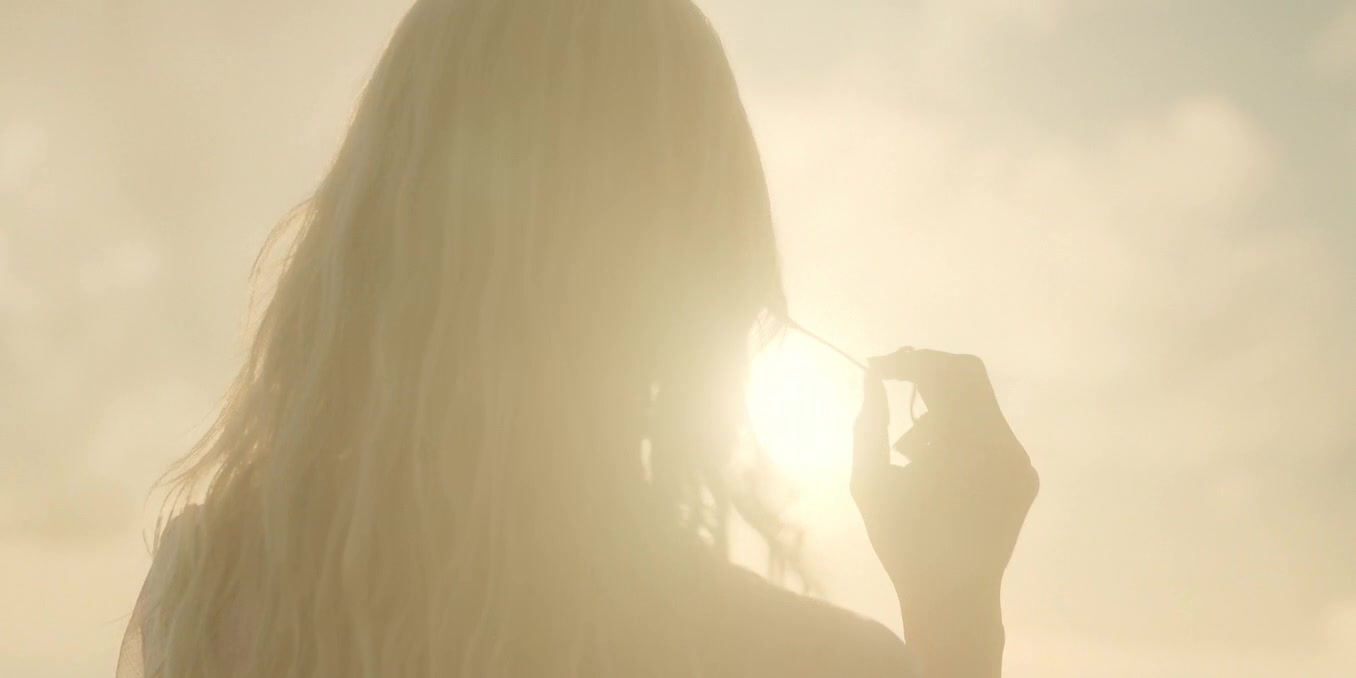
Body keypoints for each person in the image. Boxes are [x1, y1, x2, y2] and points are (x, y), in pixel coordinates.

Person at [116, 0, 1038, 676]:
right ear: (707, 267)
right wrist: (955, 610)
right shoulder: (801, 663)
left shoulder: (201, 603)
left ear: (377, 232)